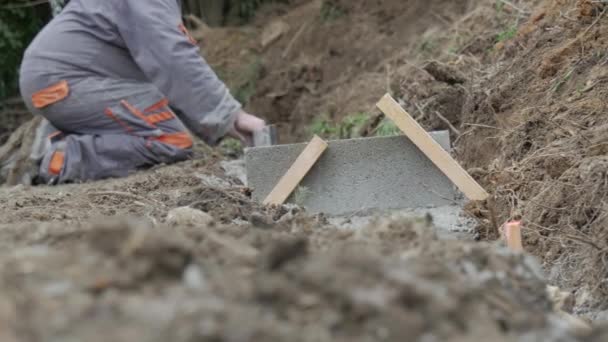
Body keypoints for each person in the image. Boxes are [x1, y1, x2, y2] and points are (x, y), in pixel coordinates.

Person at [18, 0, 266, 184]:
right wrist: (231, 115)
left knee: (158, 116)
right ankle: (61, 157)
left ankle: (57, 136)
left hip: (59, 78)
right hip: (64, 81)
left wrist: (225, 123)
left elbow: (165, 75)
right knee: (170, 139)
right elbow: (172, 56)